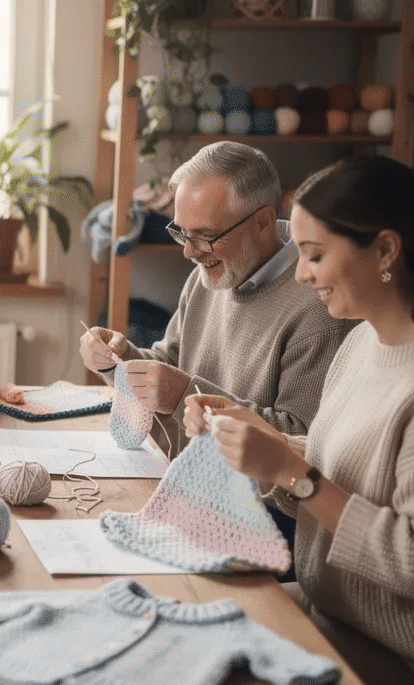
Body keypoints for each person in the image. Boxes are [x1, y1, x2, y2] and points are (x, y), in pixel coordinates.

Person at [185, 155, 414, 685]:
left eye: (315, 255)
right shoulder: (365, 341)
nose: (300, 274)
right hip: (343, 620)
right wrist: (261, 444)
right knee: (184, 627)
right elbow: (333, 470)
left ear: (386, 251)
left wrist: (293, 473)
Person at [79, 141, 354, 455]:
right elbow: (170, 365)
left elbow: (302, 442)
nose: (189, 252)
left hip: (251, 502)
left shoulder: (320, 305)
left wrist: (184, 395)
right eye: (182, 232)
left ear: (263, 222)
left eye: (206, 236)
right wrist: (118, 358)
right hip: (184, 477)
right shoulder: (208, 273)